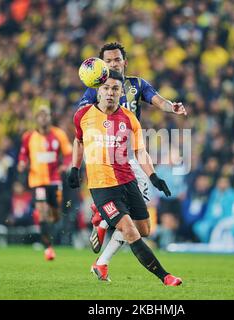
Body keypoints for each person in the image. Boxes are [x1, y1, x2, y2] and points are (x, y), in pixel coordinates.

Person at [78, 42, 187, 269]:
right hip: (105, 154)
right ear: (101, 65)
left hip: (128, 156)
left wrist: (171, 107)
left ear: (124, 62)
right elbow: (82, 119)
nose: (113, 64)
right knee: (129, 215)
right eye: (108, 61)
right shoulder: (96, 88)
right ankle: (102, 220)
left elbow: (157, 100)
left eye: (116, 59)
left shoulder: (136, 85)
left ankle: (102, 253)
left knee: (140, 222)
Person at [17, 104, 72, 260]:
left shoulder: (58, 134)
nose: (43, 118)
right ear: (36, 119)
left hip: (54, 180)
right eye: (40, 115)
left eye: (46, 115)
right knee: (42, 211)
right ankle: (48, 247)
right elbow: (23, 155)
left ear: (50, 117)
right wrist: (22, 163)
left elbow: (68, 153)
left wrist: (65, 165)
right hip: (37, 180)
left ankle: (50, 238)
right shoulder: (28, 137)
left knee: (55, 215)